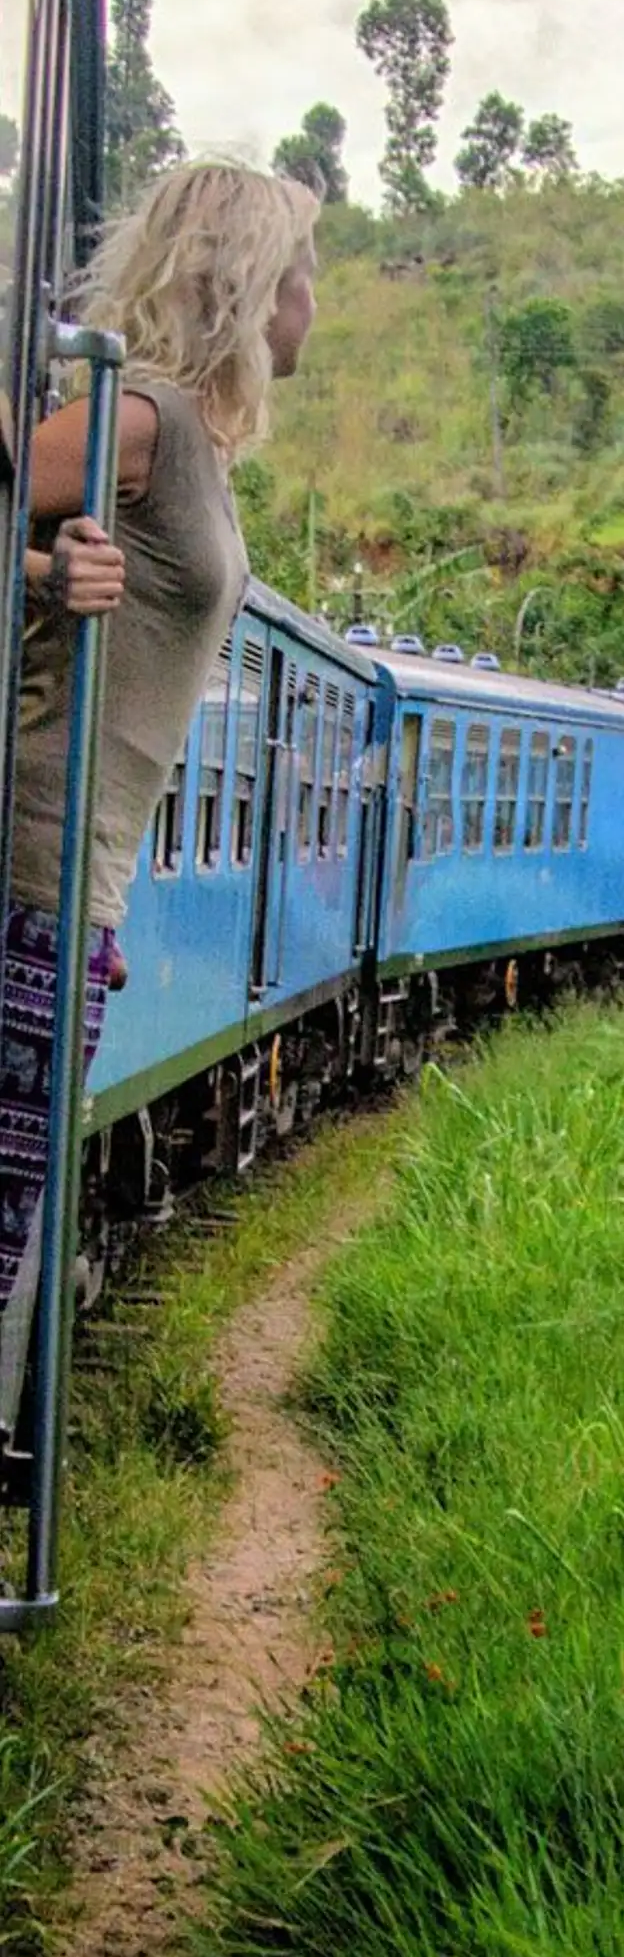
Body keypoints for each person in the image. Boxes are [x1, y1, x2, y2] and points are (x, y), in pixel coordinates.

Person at [0, 160, 319, 1440]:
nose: (316, 306)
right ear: (250, 287)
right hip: (34, 855)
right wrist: (40, 566)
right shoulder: (148, 424)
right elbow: (21, 491)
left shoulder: (191, 443)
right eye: (305, 277)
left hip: (80, 878)